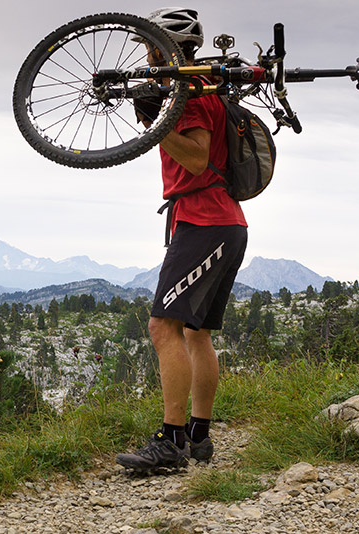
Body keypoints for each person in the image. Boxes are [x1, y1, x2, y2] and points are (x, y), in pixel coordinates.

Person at [116, 7, 248, 472]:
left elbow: (193, 158)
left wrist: (159, 123)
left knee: (163, 327)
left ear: (164, 46)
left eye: (149, 45)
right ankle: (199, 435)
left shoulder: (188, 95)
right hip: (225, 223)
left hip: (204, 220)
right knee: (196, 332)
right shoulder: (197, 89)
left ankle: (170, 443)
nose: (147, 55)